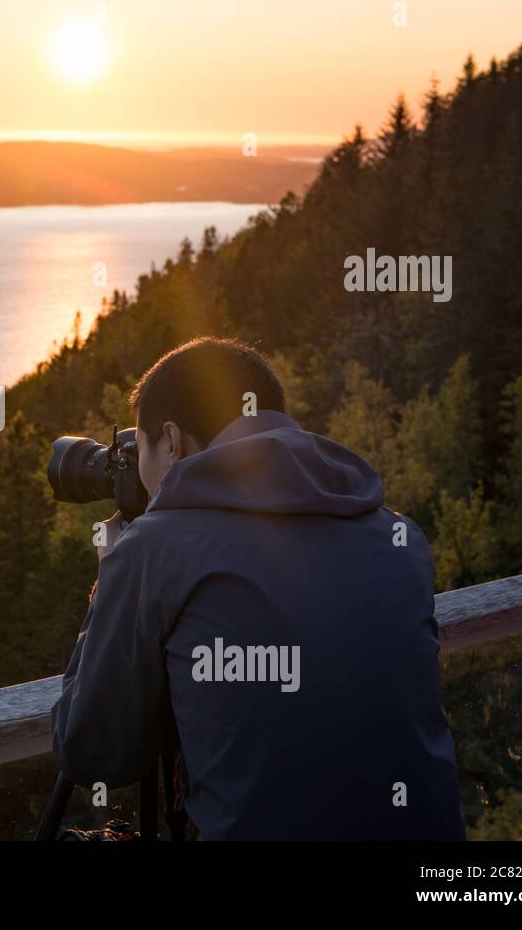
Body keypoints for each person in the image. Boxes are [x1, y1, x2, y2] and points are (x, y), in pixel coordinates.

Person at [51, 336, 466, 839]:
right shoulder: (402, 537)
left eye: (139, 449)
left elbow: (92, 751)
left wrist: (112, 576)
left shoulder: (153, 552)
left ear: (172, 440)